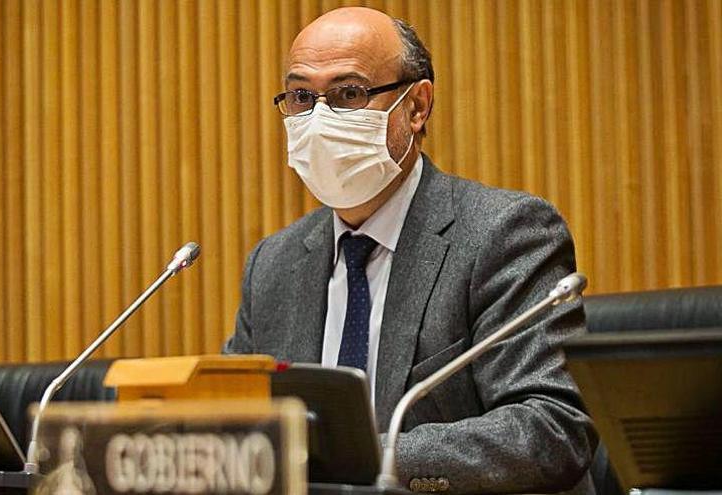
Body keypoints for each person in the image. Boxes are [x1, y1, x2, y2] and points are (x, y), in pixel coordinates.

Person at [223, 7, 597, 494]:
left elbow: (551, 429)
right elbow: (236, 424)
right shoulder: (273, 264)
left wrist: (360, 457)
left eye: (348, 94)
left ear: (416, 106)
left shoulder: (502, 233)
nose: (318, 120)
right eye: (301, 97)